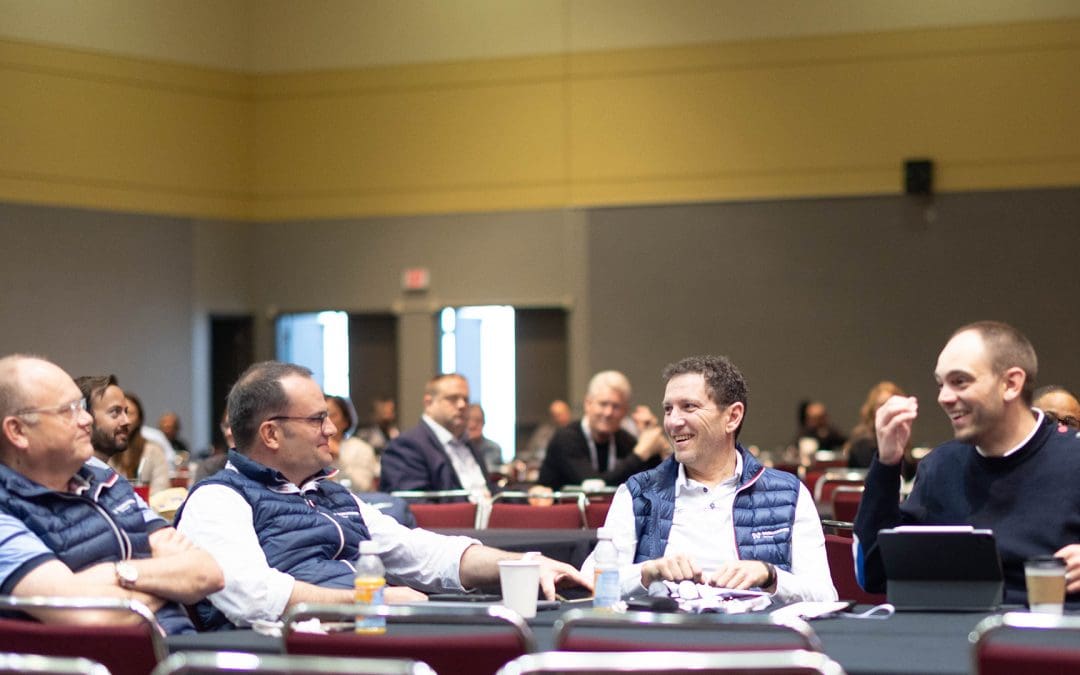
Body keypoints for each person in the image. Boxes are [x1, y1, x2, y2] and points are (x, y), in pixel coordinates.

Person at [175, 361, 588, 629]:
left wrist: (521, 563)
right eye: (318, 419)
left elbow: (420, 552)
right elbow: (254, 597)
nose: (332, 429)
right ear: (271, 433)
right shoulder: (218, 500)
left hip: (367, 635)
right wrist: (373, 600)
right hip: (292, 656)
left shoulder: (331, 495)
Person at [855, 321, 1080, 605]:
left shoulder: (1073, 459)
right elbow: (874, 574)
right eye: (941, 384)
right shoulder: (940, 467)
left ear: (1011, 384)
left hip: (1050, 628)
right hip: (953, 629)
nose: (943, 398)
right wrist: (887, 464)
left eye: (960, 381)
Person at [581, 355, 836, 602]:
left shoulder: (787, 493)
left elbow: (824, 596)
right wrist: (646, 573)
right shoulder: (640, 493)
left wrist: (770, 576)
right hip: (666, 627)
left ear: (732, 417)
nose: (673, 422)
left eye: (689, 407)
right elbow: (591, 582)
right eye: (668, 409)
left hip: (757, 628)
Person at [0, 355, 222, 634]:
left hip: (183, 646)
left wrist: (118, 574)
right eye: (68, 410)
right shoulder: (6, 510)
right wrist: (168, 584)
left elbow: (206, 572)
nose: (87, 419)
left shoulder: (106, 481)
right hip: (118, 656)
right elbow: (90, 617)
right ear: (17, 431)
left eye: (82, 407)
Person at [538, 371, 667, 490]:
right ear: (588, 404)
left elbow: (652, 481)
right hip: (559, 507)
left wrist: (653, 439)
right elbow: (594, 486)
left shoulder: (624, 440)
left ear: (625, 411)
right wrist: (639, 454)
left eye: (616, 406)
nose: (608, 412)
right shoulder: (566, 438)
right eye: (603, 404)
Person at [380, 374, 493, 495]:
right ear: (429, 403)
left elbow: (489, 491)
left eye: (466, 399)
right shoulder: (406, 446)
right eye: (452, 398)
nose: (462, 405)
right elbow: (414, 502)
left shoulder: (468, 444)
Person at [73, 376, 171, 496]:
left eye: (126, 412)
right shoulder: (73, 485)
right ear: (84, 417)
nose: (127, 421)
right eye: (115, 412)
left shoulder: (111, 482)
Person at [844, 381, 906, 469]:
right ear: (872, 410)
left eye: (892, 405)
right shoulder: (863, 441)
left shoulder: (901, 435)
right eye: (882, 405)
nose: (888, 410)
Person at [325, 394, 378, 491]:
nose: (326, 422)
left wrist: (339, 459)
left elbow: (363, 488)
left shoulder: (361, 449)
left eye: (332, 415)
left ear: (346, 421)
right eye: (321, 416)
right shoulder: (309, 448)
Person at [517, 399, 572, 478]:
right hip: (541, 470)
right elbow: (531, 452)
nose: (557, 418)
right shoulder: (543, 432)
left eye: (559, 415)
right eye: (554, 415)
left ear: (568, 414)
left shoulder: (574, 433)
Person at [466, 403, 503, 469]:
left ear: (483, 423)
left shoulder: (492, 448)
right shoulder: (457, 447)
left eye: (477, 420)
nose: (473, 425)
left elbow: (486, 470)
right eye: (469, 420)